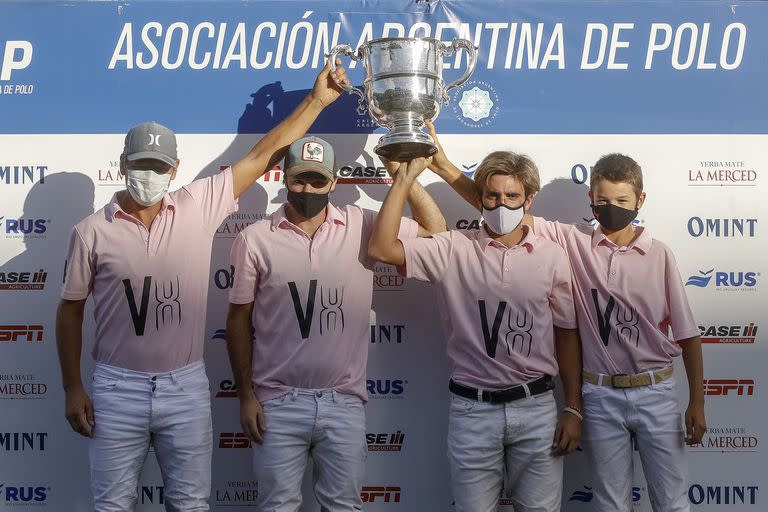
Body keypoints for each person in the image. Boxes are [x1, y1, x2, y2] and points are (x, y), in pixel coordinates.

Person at [56, 61, 351, 511]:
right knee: (112, 506)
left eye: (158, 166)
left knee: (192, 505)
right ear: (122, 165)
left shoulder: (198, 205)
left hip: (184, 386)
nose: (148, 175)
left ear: (174, 169)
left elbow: (264, 153)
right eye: (139, 165)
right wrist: (73, 386)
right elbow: (70, 309)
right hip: (116, 388)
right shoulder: (90, 231)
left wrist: (316, 101)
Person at [425, 123, 706, 511]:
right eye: (604, 200)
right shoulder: (573, 241)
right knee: (610, 502)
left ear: (640, 200)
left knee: (673, 501)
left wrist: (698, 402)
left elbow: (689, 334)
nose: (613, 208)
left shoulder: (660, 254)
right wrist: (443, 167)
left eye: (623, 200)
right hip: (600, 393)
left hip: (657, 390)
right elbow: (501, 207)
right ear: (591, 199)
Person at [225, 141, 446, 510]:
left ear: (333, 183)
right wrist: (246, 396)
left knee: (343, 506)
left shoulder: (363, 224)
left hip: (342, 402)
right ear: (285, 180)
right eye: (299, 181)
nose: (307, 190)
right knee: (276, 506)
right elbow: (237, 321)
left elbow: (436, 232)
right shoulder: (254, 238)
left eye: (317, 181)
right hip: (277, 401)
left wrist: (403, 178)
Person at [368, 154, 582, 512]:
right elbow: (380, 248)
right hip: (472, 411)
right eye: (492, 196)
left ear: (529, 200)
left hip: (537, 408)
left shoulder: (553, 255)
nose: (501, 204)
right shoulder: (452, 247)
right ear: (480, 197)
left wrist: (573, 407)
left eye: (512, 197)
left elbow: (567, 334)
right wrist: (403, 179)